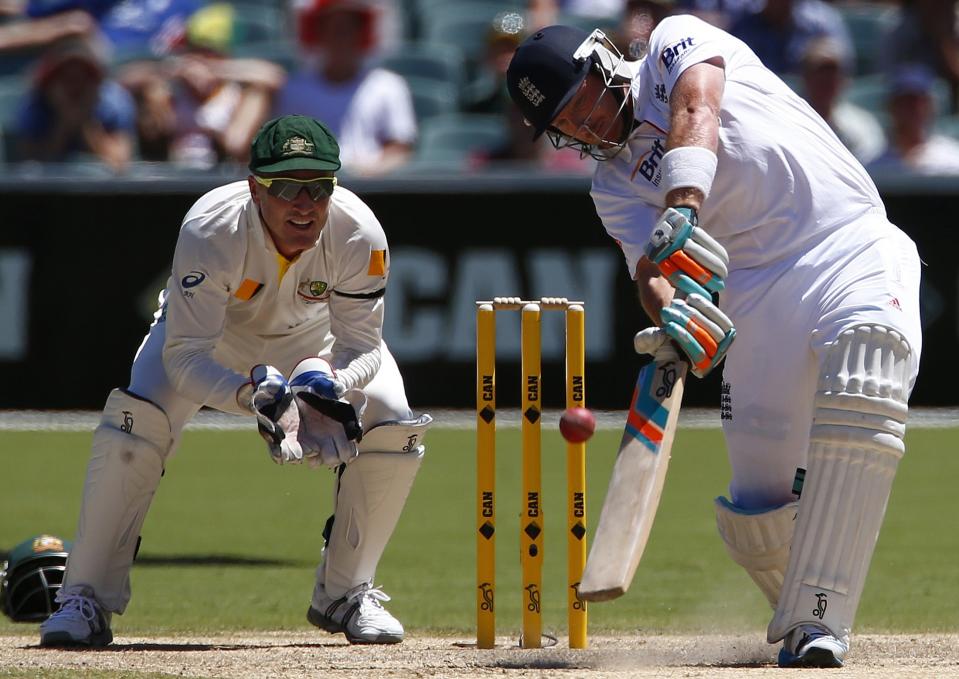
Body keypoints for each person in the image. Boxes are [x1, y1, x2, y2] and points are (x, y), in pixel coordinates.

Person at [506, 18, 921, 668]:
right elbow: (650, 272)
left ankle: (819, 618)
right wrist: (673, 316)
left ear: (602, 62)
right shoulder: (611, 186)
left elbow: (697, 102)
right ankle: (801, 620)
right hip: (754, 295)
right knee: (758, 512)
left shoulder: (673, 44)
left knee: (869, 364)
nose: (583, 127)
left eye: (580, 102)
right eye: (565, 124)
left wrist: (683, 206)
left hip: (845, 236)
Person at [38, 114, 432, 647]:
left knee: (394, 421)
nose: (305, 204)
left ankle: (346, 593)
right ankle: (83, 597)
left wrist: (332, 385)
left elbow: (363, 346)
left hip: (317, 346)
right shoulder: (211, 228)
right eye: (287, 187)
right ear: (254, 188)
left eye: (319, 188)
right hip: (210, 341)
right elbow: (184, 356)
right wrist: (253, 398)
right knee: (138, 422)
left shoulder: (359, 231)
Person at [273, 0, 415, 176]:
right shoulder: (295, 88)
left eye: (348, 30)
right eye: (333, 30)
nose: (340, 38)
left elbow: (400, 149)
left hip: (373, 185)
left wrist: (369, 172)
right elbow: (284, 145)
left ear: (362, 34)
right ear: (319, 34)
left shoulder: (389, 86)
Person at [12, 34, 135, 168]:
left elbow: (118, 165)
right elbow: (34, 166)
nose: (75, 87)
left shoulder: (113, 102)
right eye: (66, 78)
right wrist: (63, 123)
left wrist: (85, 122)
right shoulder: (33, 106)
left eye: (82, 78)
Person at [799, 36, 885, 164]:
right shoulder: (787, 119)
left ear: (845, 79)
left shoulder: (863, 125)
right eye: (820, 71)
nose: (826, 79)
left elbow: (870, 170)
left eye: (833, 72)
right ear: (805, 76)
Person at [868, 63, 959, 174]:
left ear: (932, 106)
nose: (915, 108)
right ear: (891, 106)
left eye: (921, 101)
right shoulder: (874, 166)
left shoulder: (952, 158)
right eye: (906, 101)